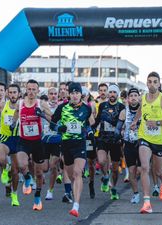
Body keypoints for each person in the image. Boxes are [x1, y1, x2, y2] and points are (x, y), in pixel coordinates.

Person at [131, 72, 162, 214]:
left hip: (160, 140)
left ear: (158, 84)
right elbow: (140, 109)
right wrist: (134, 121)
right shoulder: (143, 97)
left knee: (157, 170)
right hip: (144, 137)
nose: (152, 84)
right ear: (147, 83)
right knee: (145, 167)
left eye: (154, 81)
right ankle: (146, 202)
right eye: (149, 81)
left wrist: (157, 122)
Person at [50, 82, 94, 217]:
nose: (75, 95)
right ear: (69, 94)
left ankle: (76, 205)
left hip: (80, 144)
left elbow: (90, 123)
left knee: (77, 173)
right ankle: (75, 192)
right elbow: (52, 124)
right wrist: (59, 128)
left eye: (77, 93)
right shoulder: (62, 108)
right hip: (66, 144)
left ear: (81, 94)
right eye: (72, 93)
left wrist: (88, 131)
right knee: (70, 175)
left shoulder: (87, 109)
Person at [11, 79, 52, 211]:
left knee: (39, 173)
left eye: (34, 89)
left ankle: (38, 196)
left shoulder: (42, 104)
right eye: (29, 89)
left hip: (38, 142)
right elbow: (16, 113)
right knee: (22, 165)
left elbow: (52, 119)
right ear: (25, 90)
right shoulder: (20, 103)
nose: (31, 92)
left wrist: (43, 115)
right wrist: (13, 123)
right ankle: (28, 178)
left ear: (38, 91)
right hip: (24, 140)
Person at [94, 84, 125, 200]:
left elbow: (122, 123)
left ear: (117, 94)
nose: (112, 94)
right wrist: (91, 128)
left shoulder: (121, 107)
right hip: (103, 138)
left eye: (114, 92)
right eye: (110, 92)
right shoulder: (102, 105)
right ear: (108, 94)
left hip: (115, 140)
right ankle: (106, 177)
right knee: (102, 161)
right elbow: (97, 120)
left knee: (115, 169)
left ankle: (114, 188)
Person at [0, 83, 21, 206]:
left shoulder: (23, 106)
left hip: (18, 139)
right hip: (4, 137)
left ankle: (14, 194)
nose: (13, 95)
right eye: (11, 92)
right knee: (2, 159)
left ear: (19, 94)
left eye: (15, 92)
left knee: (15, 172)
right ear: (7, 94)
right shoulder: (2, 105)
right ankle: (5, 169)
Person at [116, 88, 141, 204]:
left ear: (139, 97)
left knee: (140, 170)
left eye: (136, 95)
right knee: (131, 172)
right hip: (129, 144)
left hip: (142, 144)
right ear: (128, 99)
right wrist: (117, 136)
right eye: (131, 96)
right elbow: (118, 128)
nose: (134, 97)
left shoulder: (144, 110)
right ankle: (136, 194)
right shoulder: (124, 112)